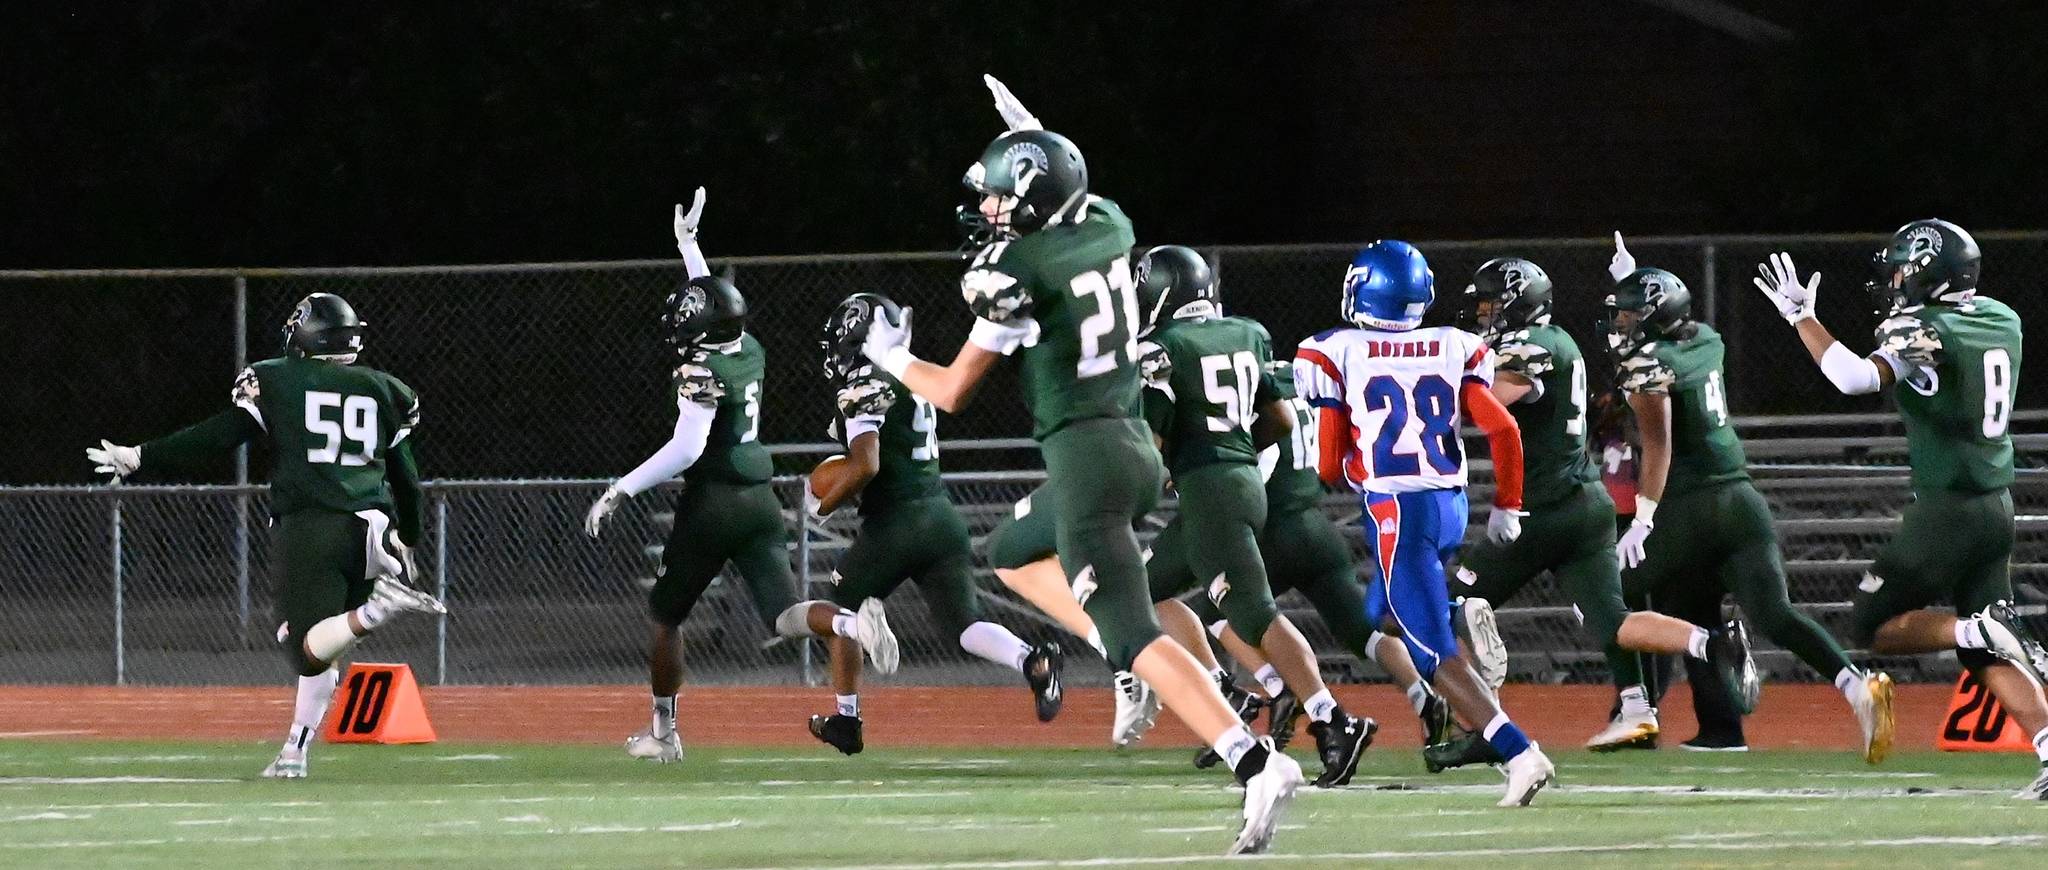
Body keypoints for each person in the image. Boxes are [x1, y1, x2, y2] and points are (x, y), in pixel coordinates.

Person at [859, 109, 1302, 853]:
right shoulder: (1114, 226)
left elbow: (950, 390)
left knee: (1139, 637)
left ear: (1033, 197)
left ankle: (1254, 761)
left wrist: (889, 357)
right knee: (1010, 550)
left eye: (1000, 196)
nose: (990, 211)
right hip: (1134, 447)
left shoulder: (1018, 274)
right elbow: (1081, 197)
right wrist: (1034, 129)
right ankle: (1110, 636)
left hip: (1088, 459)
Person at [584, 191, 895, 764]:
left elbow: (686, 446)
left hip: (712, 504)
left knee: (665, 617)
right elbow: (715, 309)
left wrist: (620, 488)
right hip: (759, 501)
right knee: (784, 614)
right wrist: (689, 248)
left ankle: (664, 730)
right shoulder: (748, 348)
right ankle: (851, 622)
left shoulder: (702, 368)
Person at [86, 292, 449, 779]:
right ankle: (294, 753)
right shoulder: (386, 388)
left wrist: (141, 456)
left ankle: (379, 609)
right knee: (327, 648)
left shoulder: (279, 378)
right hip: (375, 528)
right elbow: (406, 477)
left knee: (303, 648)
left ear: (305, 334)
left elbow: (221, 434)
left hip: (314, 524)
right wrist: (410, 533)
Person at [1752, 220, 2048, 796]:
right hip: (1996, 505)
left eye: (1900, 269)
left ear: (1927, 272)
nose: (1893, 281)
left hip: (1947, 512)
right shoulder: (2000, 315)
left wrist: (1800, 319)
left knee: (1872, 626)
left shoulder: (1926, 327)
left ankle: (1979, 624)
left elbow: (1855, 378)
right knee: (1981, 654)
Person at [1601, 234, 1894, 764]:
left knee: (1609, 598)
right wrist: (1633, 280)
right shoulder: (1705, 339)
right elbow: (1667, 330)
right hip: (1741, 500)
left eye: (1628, 314)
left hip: (1689, 507)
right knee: (1769, 613)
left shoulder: (1646, 366)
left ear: (1652, 319)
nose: (1620, 324)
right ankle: (1851, 690)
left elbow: (1660, 447)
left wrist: (1643, 518)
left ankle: (1635, 710)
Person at [1293, 239, 1556, 807]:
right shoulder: (1455, 345)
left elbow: (1330, 464)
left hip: (1399, 511)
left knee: (1431, 650)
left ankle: (1518, 752)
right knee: (1382, 616)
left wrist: (1336, 427)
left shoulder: (1335, 351)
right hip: (1450, 505)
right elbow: (1504, 431)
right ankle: (1459, 610)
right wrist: (1507, 504)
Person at [1450, 256, 1751, 752]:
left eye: (1490, 306)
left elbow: (1487, 404)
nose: (1483, 316)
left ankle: (1483, 724)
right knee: (1612, 618)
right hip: (1586, 502)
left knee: (1449, 605)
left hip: (1541, 510)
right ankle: (1703, 648)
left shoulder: (1532, 348)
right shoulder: (1559, 340)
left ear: (1514, 305)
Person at [1129, 244, 1376, 787]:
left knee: (1253, 612)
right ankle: (1224, 694)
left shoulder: (1163, 347)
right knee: (1141, 591)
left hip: (1212, 491)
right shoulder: (1246, 332)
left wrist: (1166, 470)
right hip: (1242, 481)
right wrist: (1226, 453)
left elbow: (1152, 439)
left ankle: (1333, 719)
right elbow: (1281, 420)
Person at [798, 291, 1063, 755]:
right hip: (941, 515)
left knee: (839, 608)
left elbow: (866, 464)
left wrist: (821, 504)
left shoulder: (864, 380)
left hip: (896, 522)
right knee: (964, 624)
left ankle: (846, 719)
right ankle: (1030, 660)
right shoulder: (910, 370)